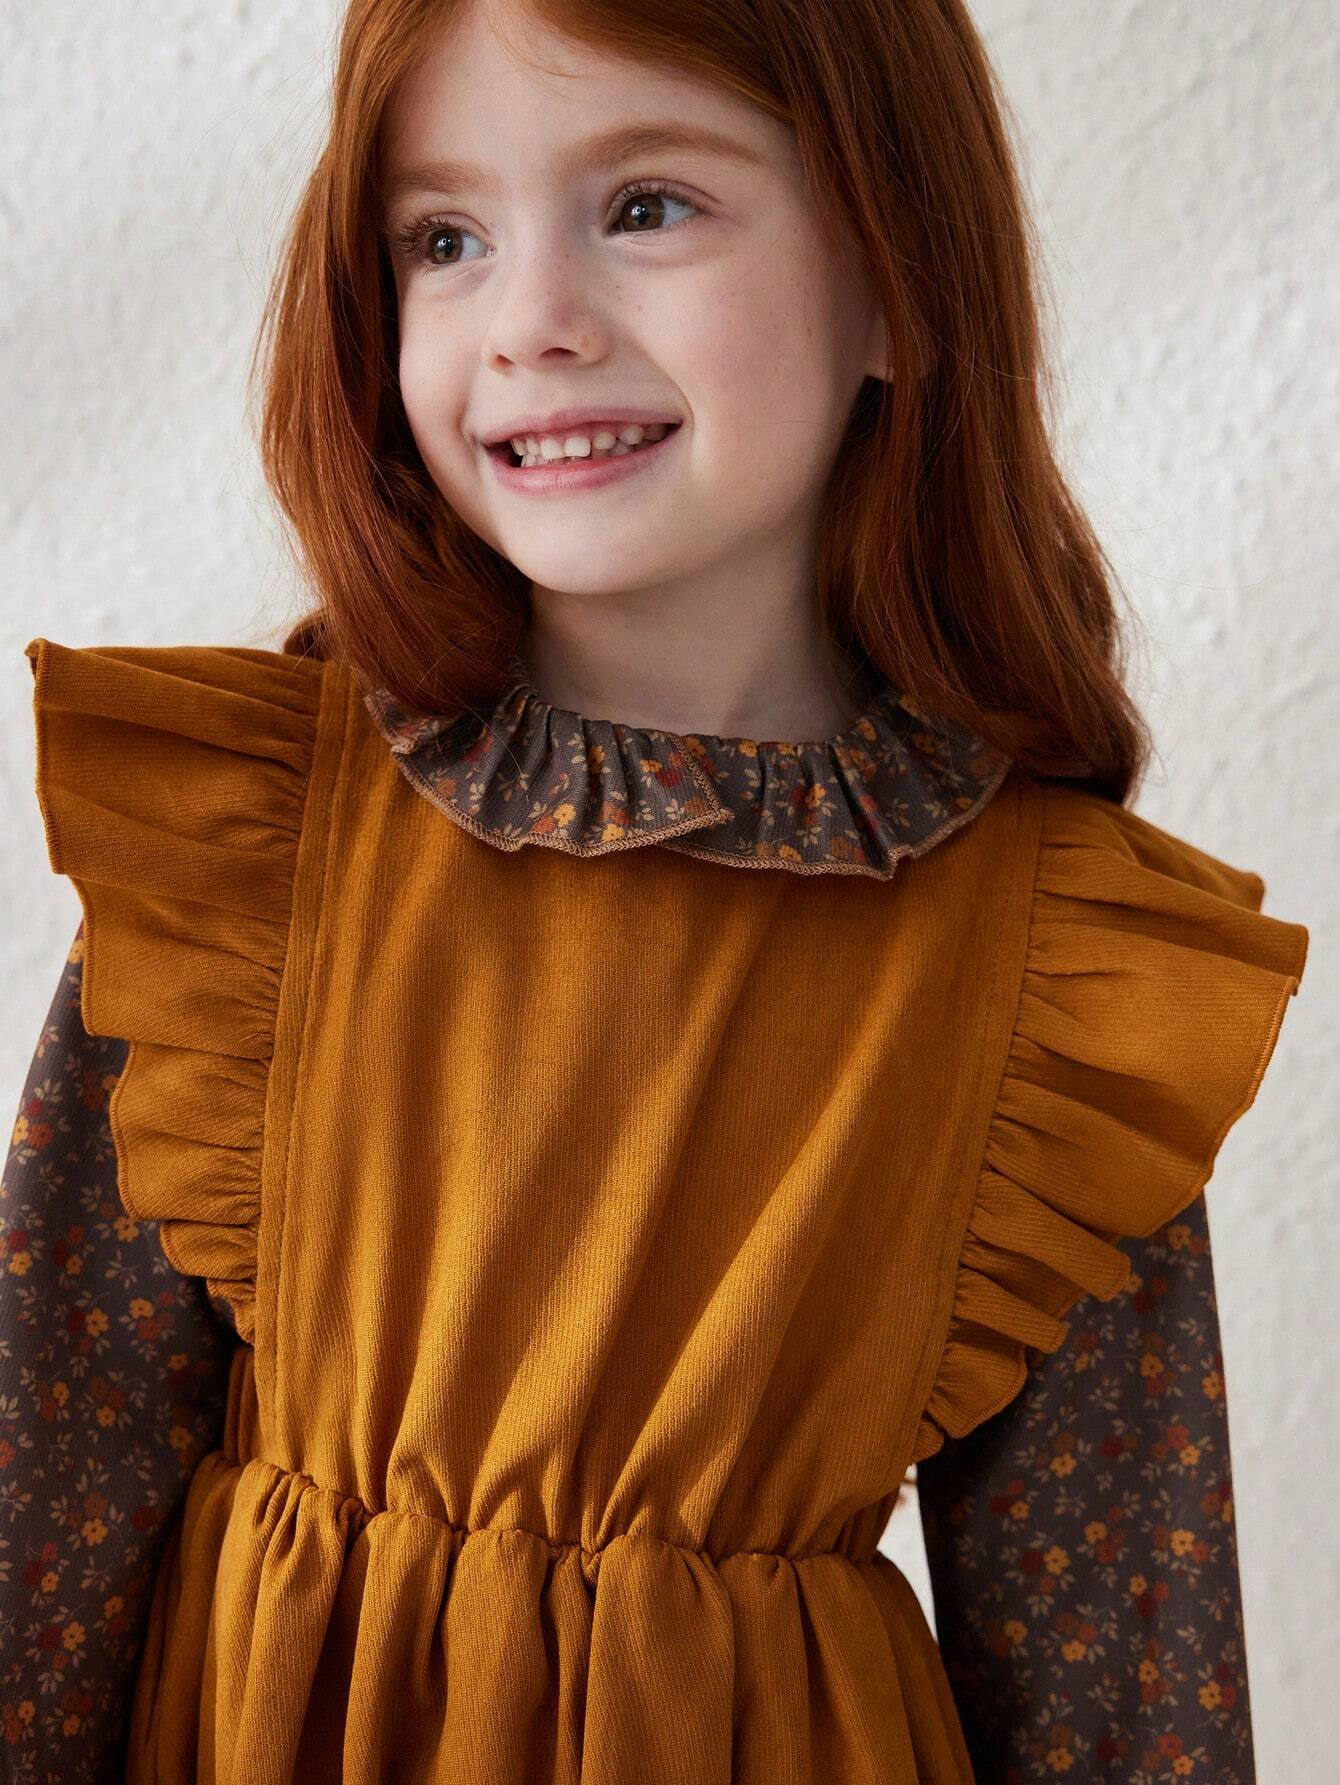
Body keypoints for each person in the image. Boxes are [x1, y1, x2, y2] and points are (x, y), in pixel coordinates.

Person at [2, 0, 1309, 1779]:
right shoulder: (246, 859)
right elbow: (42, 1521)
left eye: (645, 207)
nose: (528, 320)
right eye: (443, 238)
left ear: (902, 278)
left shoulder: (1065, 984)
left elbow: (1127, 1707)